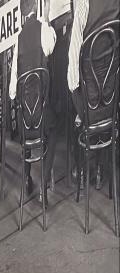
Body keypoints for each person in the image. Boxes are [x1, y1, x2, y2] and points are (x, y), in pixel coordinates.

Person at [67, 0, 120, 190]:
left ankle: (88, 167)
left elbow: (72, 75)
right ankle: (102, 167)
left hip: (91, 107)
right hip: (113, 102)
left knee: (75, 95)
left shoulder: (83, 4)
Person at [9, 0, 57, 196]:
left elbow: (12, 91)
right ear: (36, 8)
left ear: (22, 12)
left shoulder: (17, 41)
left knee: (26, 128)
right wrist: (46, 21)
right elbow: (51, 47)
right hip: (42, 116)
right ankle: (44, 184)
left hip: (26, 124)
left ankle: (27, 178)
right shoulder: (43, 30)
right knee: (53, 132)